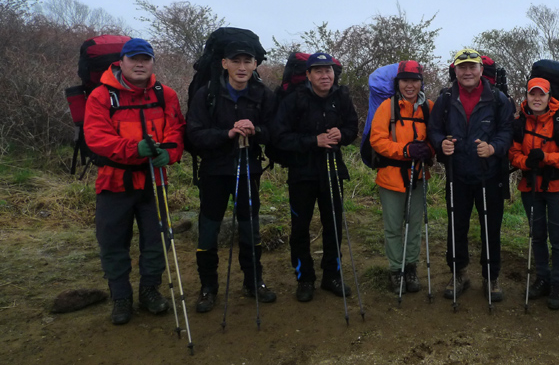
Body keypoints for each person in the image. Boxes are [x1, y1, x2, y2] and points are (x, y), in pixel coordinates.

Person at [83, 38, 185, 325]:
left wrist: (171, 153)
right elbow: (96, 137)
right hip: (114, 181)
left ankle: (149, 290)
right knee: (113, 242)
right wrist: (134, 149)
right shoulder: (102, 96)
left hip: (155, 179)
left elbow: (177, 129)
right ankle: (121, 297)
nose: (140, 64)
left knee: (157, 238)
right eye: (133, 59)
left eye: (145, 59)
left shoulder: (166, 94)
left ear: (152, 62)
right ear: (121, 61)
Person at [186, 40, 278, 313]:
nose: (242, 67)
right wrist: (227, 133)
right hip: (214, 171)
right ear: (224, 63)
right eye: (235, 61)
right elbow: (194, 135)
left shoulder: (263, 95)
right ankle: (208, 287)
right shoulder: (207, 95)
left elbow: (275, 132)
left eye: (247, 61)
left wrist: (256, 131)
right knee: (209, 230)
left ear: (255, 65)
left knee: (250, 228)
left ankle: (254, 281)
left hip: (249, 170)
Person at [428, 49, 515, 302]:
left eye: (472, 67)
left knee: (491, 228)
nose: (467, 72)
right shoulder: (445, 98)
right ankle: (459, 274)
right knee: (457, 227)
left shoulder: (498, 99)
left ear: (480, 70)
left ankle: (491, 277)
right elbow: (434, 130)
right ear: (455, 70)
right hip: (457, 175)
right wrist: (440, 144)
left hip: (490, 176)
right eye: (462, 67)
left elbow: (507, 131)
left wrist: (493, 148)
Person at [271, 52, 359, 302]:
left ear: (334, 73)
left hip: (332, 171)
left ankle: (331, 275)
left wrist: (341, 134)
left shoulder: (341, 98)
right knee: (300, 228)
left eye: (328, 70)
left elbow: (353, 128)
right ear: (308, 75)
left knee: (333, 225)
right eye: (318, 71)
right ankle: (305, 278)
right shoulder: (293, 100)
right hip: (302, 173)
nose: (325, 75)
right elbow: (279, 137)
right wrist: (314, 141)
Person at [508, 78, 559, 310]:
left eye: (542, 94)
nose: (536, 99)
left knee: (558, 240)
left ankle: (558, 284)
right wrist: (527, 162)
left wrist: (546, 158)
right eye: (532, 94)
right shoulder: (519, 122)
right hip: (530, 188)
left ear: (549, 97)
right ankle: (542, 278)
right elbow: (513, 154)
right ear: (527, 96)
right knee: (536, 235)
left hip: (557, 188)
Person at [369, 60, 434, 294]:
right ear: (398, 83)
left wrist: (429, 149)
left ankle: (411, 267)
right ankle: (396, 270)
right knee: (394, 227)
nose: (410, 85)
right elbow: (376, 140)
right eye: (405, 80)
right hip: (390, 177)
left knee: (415, 226)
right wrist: (405, 150)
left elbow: (435, 137)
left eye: (414, 80)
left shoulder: (429, 107)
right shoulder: (388, 107)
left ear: (421, 83)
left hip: (418, 176)